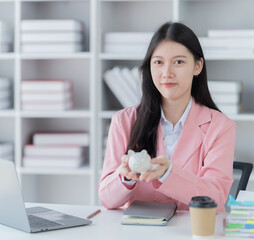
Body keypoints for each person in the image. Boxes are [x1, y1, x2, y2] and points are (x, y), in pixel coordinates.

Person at [98, 22, 236, 213]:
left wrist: (168, 174)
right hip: (139, 231)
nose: (167, 73)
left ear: (197, 66)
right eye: (158, 62)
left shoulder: (220, 127)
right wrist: (125, 177)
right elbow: (106, 198)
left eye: (178, 62)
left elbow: (217, 198)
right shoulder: (124, 121)